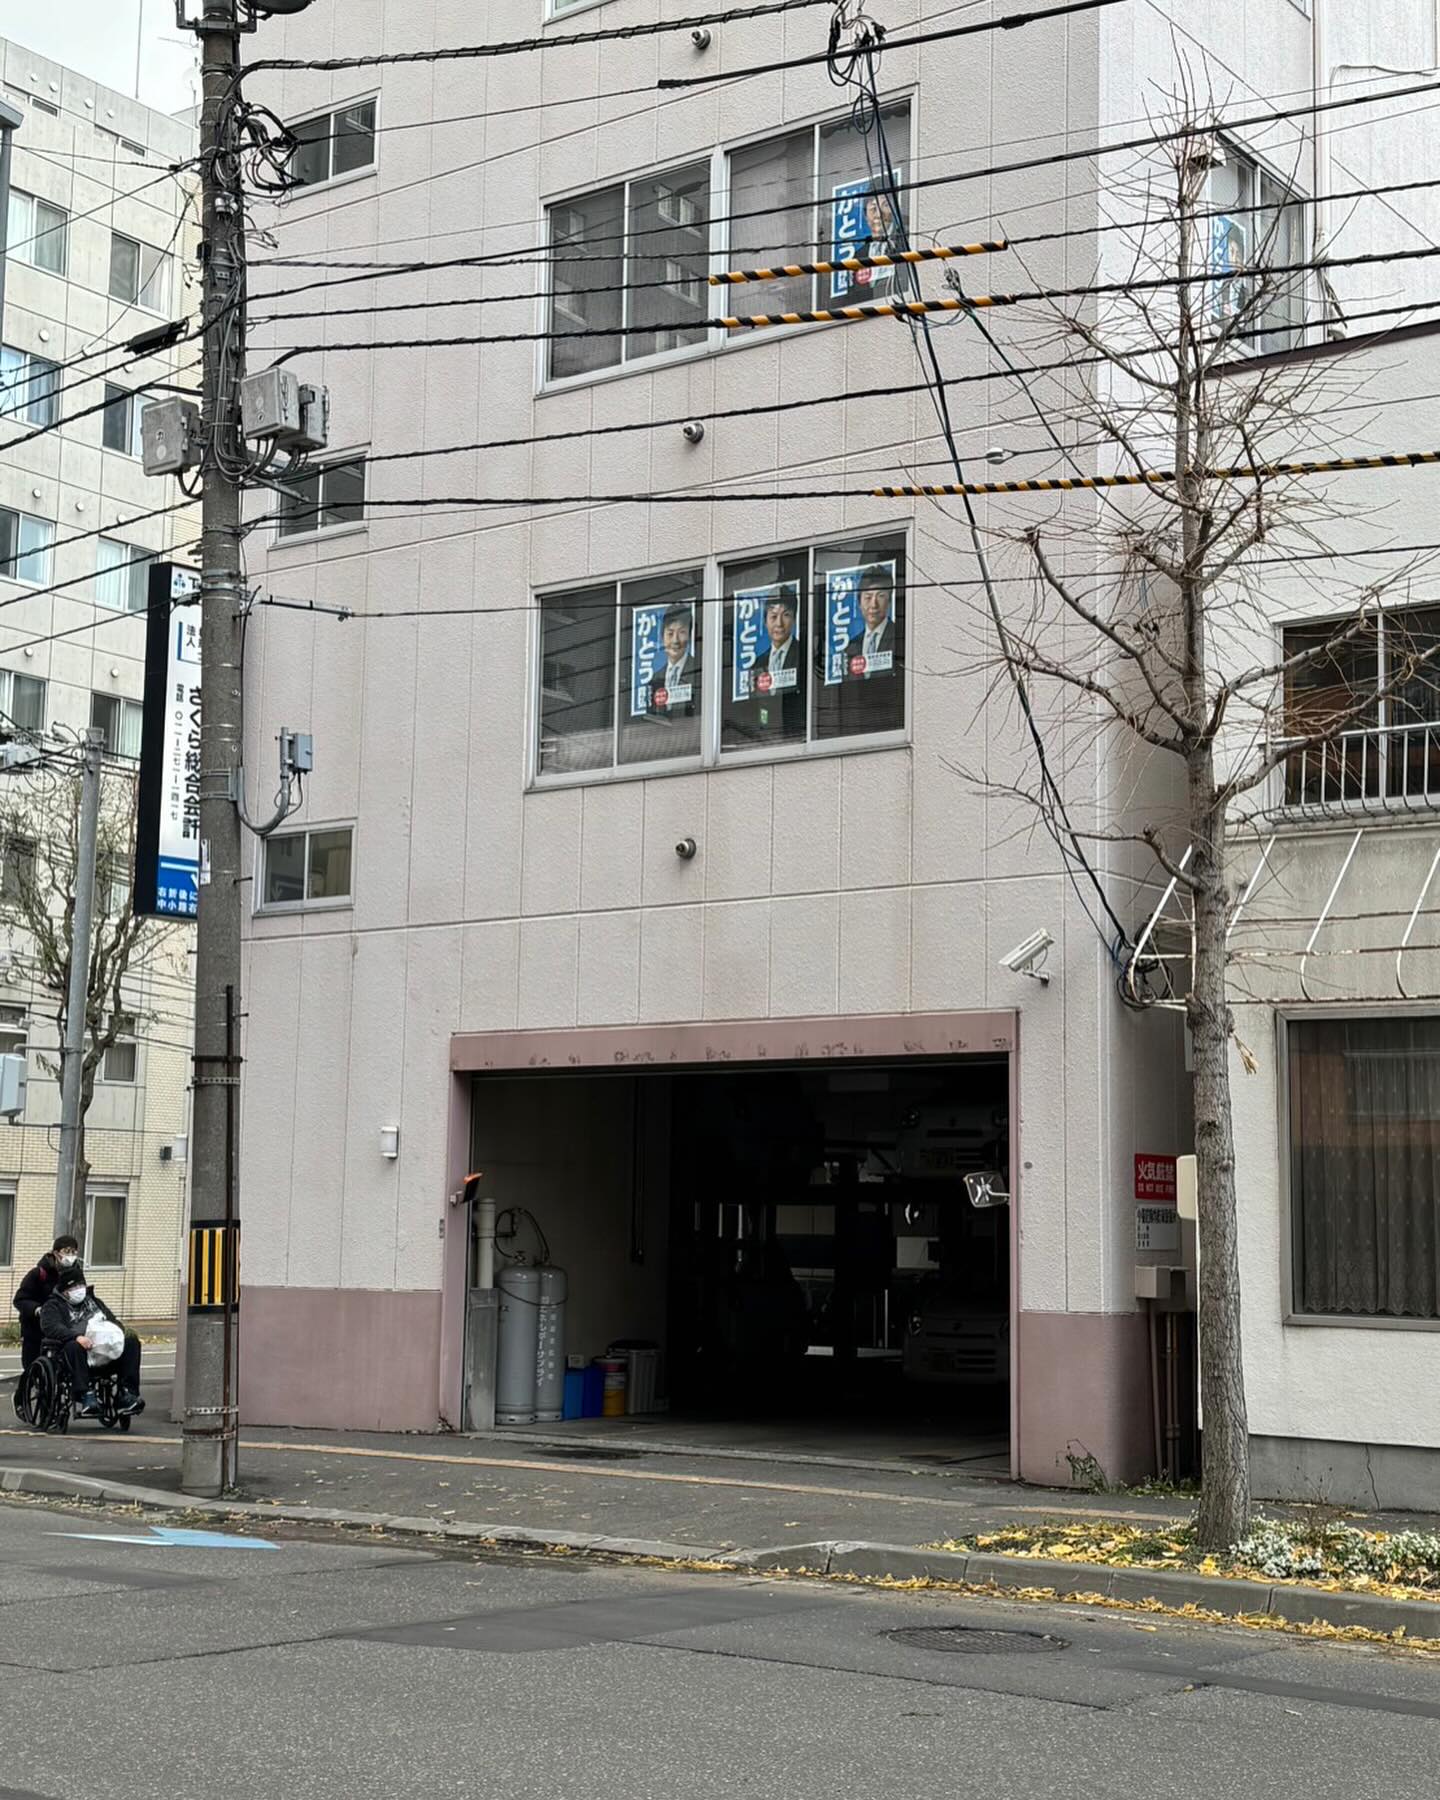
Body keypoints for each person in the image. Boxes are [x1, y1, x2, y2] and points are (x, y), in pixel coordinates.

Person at [38, 1262, 144, 1418]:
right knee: (74, 1346)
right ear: (64, 1291)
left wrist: (115, 1332)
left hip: (103, 1350)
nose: (79, 1290)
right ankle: (86, 1394)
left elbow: (112, 1321)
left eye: (81, 1285)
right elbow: (51, 1327)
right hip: (74, 1351)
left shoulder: (94, 1302)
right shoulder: (53, 1306)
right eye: (74, 1287)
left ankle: (127, 1393)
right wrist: (76, 1337)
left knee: (131, 1341)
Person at [12, 1234, 79, 1374]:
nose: (71, 1256)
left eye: (74, 1252)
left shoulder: (76, 1274)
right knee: (32, 1369)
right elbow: (20, 1299)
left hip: (62, 1328)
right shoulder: (38, 1273)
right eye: (67, 1251)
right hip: (36, 1330)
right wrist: (37, 1309)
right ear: (56, 1253)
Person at [844, 567, 897, 678]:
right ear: (859, 603)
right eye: (868, 597)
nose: (874, 605)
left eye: (881, 596)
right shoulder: (851, 646)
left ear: (890, 601)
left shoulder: (900, 636)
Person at [648, 605, 697, 715]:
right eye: (670, 633)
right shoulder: (656, 678)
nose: (675, 640)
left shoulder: (698, 670)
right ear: (662, 637)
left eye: (681, 632)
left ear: (690, 636)